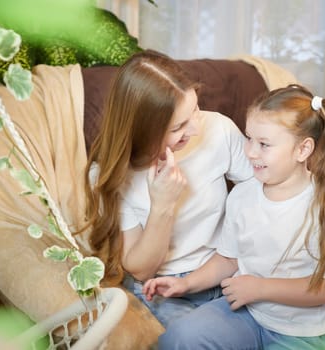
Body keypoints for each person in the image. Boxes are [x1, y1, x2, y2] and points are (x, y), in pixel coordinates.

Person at [143, 84, 325, 349]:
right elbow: (229, 258)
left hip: (302, 333)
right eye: (249, 138)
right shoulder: (242, 195)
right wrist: (185, 283)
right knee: (181, 337)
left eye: (264, 144)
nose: (250, 151)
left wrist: (259, 289)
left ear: (303, 150)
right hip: (249, 313)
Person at [83, 50, 253, 327]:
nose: (196, 129)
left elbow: (260, 190)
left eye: (195, 110)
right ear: (142, 130)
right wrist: (163, 204)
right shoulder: (109, 174)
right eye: (179, 127)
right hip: (163, 289)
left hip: (223, 270)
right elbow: (141, 269)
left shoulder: (218, 129)